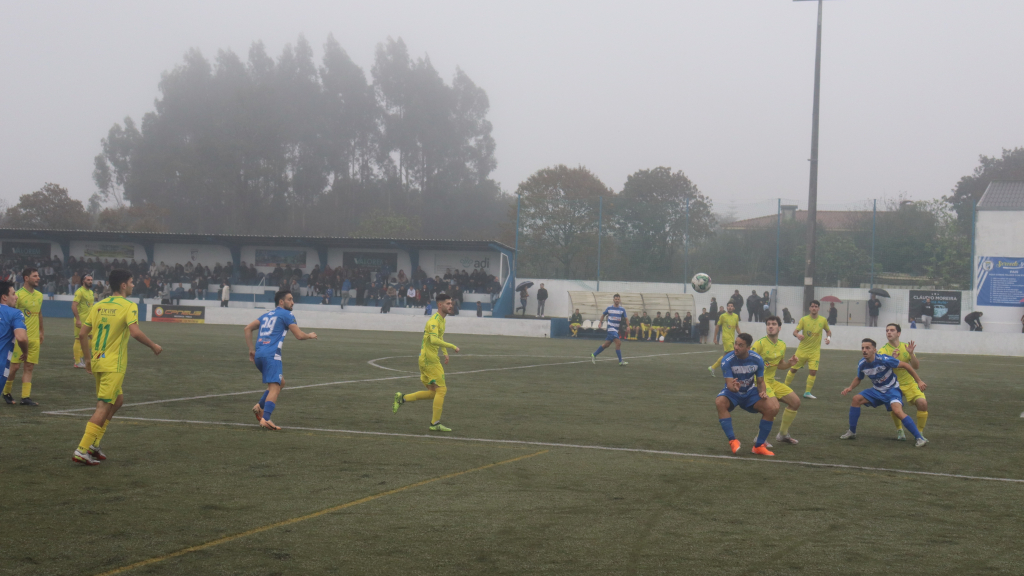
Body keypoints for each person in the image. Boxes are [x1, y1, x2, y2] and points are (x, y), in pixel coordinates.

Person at [72, 269, 163, 465]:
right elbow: (135, 332)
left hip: (98, 359)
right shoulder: (128, 306)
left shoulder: (99, 305)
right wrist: (153, 345)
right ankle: (82, 449)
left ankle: (94, 444)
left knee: (118, 400)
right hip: (113, 363)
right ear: (123, 285)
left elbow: (82, 335)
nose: (132, 285)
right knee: (103, 406)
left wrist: (87, 360)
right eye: (131, 282)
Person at [244, 290, 318, 431]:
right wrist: (310, 335)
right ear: (281, 302)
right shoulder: (287, 314)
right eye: (290, 299)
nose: (293, 302)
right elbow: (299, 336)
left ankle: (260, 406)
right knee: (274, 387)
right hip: (272, 355)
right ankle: (265, 419)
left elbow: (247, 328)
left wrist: (251, 349)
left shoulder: (266, 315)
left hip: (259, 355)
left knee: (281, 382)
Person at [839, 338, 928, 447]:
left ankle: (919, 437)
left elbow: (906, 365)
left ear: (874, 350)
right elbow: (859, 377)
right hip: (877, 391)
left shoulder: (884, 360)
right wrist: (850, 388)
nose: (864, 350)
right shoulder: (862, 364)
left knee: (897, 411)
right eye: (862, 348)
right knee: (856, 399)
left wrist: (919, 381)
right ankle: (852, 432)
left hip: (892, 390)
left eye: (867, 348)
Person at [393, 293, 460, 431]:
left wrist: (445, 353)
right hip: (429, 360)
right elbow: (434, 340)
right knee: (442, 390)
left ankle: (402, 398)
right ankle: (435, 423)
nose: (450, 305)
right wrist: (452, 346)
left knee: (433, 393)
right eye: (447, 303)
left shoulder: (442, 320)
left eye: (451, 303)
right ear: (440, 305)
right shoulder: (433, 321)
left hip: (426, 358)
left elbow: (439, 336)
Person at [715, 333, 778, 456]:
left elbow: (760, 382)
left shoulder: (757, 359)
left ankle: (759, 446)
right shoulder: (727, 360)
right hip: (732, 392)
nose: (736, 347)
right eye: (736, 344)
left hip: (750, 392)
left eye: (740, 345)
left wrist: (762, 392)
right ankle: (733, 440)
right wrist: (734, 388)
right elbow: (729, 384)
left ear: (748, 348)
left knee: (772, 408)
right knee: (719, 402)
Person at [752, 316, 802, 445]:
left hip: (772, 381)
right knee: (773, 407)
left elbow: (779, 365)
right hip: (760, 382)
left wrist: (789, 364)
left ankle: (783, 434)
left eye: (773, 324)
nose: (770, 326)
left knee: (795, 402)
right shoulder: (759, 344)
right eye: (768, 324)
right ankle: (760, 438)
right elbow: (748, 363)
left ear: (779, 328)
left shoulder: (782, 345)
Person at [880, 324, 929, 441]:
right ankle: (900, 430)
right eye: (887, 330)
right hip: (893, 384)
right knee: (895, 408)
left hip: (910, 383)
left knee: (923, 403)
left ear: (899, 333)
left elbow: (916, 366)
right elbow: (881, 371)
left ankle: (920, 433)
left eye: (892, 330)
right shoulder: (883, 351)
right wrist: (892, 359)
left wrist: (911, 354)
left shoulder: (906, 347)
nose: (889, 332)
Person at [4, 268, 44, 406]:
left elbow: (39, 314)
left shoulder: (39, 295)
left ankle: (25, 397)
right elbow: (11, 314)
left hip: (34, 337)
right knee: (14, 367)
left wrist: (41, 331)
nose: (38, 278)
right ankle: (6, 392)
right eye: (35, 276)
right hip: (20, 337)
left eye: (38, 276)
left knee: (29, 367)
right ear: (26, 278)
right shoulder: (18, 295)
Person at [784, 300, 832, 399]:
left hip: (815, 352)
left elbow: (828, 331)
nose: (814, 308)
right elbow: (795, 331)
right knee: (793, 369)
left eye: (816, 306)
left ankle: (807, 392)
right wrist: (797, 335)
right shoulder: (804, 319)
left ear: (818, 308)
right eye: (812, 306)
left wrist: (828, 338)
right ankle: (784, 388)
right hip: (802, 350)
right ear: (809, 308)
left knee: (813, 372)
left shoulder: (823, 320)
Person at [0, 281, 29, 406]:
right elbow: (21, 338)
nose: (16, 297)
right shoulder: (15, 313)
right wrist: (25, 351)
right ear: (4, 297)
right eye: (13, 294)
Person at [592, 294, 628, 366]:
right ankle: (620, 361)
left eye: (618, 299)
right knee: (618, 343)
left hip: (616, 329)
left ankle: (594, 354)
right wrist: (600, 323)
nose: (617, 300)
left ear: (619, 300)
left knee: (606, 345)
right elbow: (603, 315)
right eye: (616, 299)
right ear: (613, 300)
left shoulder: (622, 309)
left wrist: (628, 326)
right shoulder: (609, 308)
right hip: (611, 328)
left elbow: (626, 318)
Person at [708, 302, 739, 376]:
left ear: (734, 308)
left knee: (726, 355)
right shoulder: (723, 316)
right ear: (727, 307)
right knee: (732, 354)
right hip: (726, 338)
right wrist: (715, 338)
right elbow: (717, 326)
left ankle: (713, 367)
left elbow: (737, 326)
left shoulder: (736, 316)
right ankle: (731, 371)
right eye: (728, 306)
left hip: (732, 338)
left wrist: (741, 336)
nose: (730, 307)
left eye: (731, 306)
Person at [72, 274, 95, 369]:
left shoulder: (91, 292)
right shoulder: (80, 291)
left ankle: (79, 355)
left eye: (91, 280)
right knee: (78, 339)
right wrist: (77, 319)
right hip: (81, 320)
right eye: (88, 280)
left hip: (90, 320)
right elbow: (73, 305)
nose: (90, 281)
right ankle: (77, 362)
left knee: (93, 338)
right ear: (83, 281)